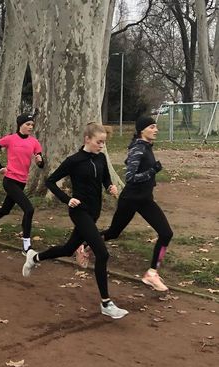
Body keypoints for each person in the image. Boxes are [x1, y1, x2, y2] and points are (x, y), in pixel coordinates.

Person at [22, 122, 128, 319]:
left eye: (104, 142)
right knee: (102, 254)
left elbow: (105, 179)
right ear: (87, 139)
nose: (102, 146)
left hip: (94, 212)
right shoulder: (74, 160)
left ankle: (35, 258)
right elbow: (50, 181)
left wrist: (110, 186)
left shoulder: (102, 158)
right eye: (99, 142)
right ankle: (106, 303)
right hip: (79, 212)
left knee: (68, 249)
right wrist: (67, 199)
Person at [98, 116, 173, 292]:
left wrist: (150, 173)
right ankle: (85, 244)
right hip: (130, 200)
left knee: (166, 233)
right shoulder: (138, 149)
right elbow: (130, 178)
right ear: (142, 130)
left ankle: (152, 273)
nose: (156, 130)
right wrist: (152, 171)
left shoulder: (145, 147)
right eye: (152, 127)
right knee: (113, 233)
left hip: (145, 200)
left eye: (156, 127)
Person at [0, 113, 44, 255]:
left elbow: (41, 163)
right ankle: (26, 246)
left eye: (32, 125)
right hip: (9, 180)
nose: (30, 127)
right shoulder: (10, 139)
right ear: (20, 124)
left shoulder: (34, 142)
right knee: (29, 209)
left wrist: (39, 161)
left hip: (22, 182)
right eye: (28, 124)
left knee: (5, 209)